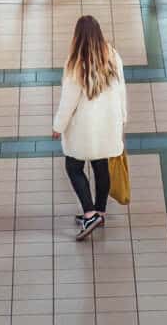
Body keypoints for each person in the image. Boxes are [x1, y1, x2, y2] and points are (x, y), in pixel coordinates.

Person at [52, 15, 127, 241]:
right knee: (100, 164)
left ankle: (90, 212)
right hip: (107, 126)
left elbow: (68, 102)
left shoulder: (75, 65)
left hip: (83, 130)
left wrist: (58, 126)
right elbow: (122, 88)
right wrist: (122, 117)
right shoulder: (112, 56)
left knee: (74, 167)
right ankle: (100, 211)